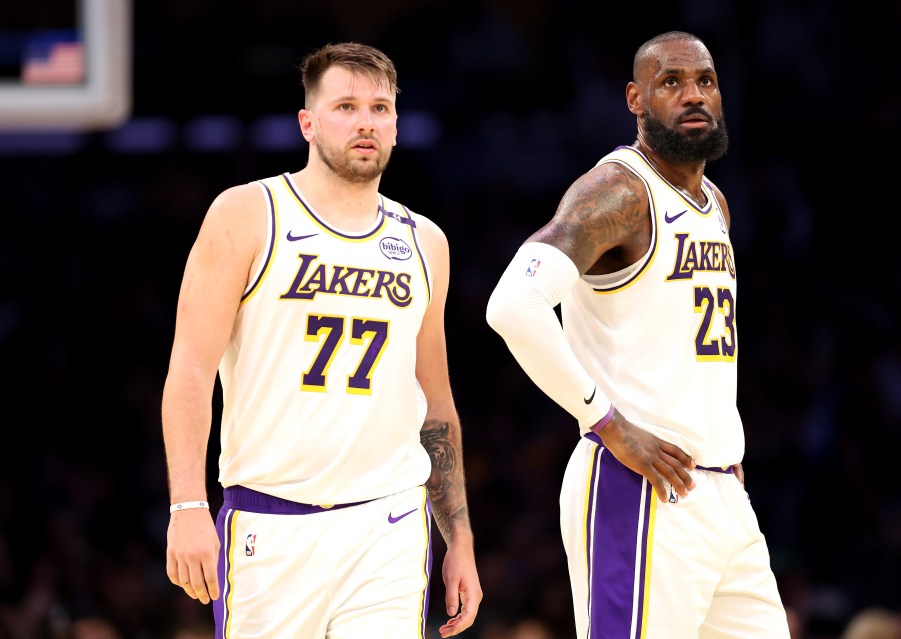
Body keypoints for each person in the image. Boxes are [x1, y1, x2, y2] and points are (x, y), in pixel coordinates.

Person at [162, 42, 482, 638]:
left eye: (380, 108)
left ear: (395, 126)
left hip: (386, 525)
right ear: (307, 123)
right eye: (346, 106)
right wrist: (187, 506)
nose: (365, 122)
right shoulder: (247, 213)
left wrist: (458, 538)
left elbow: (435, 405)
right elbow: (189, 371)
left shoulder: (425, 242)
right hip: (269, 521)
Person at [486, 31, 790, 638]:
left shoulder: (715, 204)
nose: (693, 95)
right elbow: (511, 304)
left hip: (722, 491)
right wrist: (607, 423)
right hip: (640, 487)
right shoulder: (619, 191)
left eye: (705, 80)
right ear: (636, 99)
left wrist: (719, 452)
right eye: (671, 82)